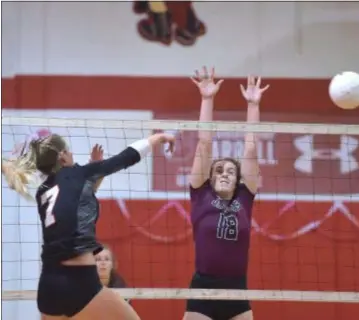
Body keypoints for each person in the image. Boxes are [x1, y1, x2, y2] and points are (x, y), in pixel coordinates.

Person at [1, 131, 175, 320]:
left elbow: (79, 202)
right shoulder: (79, 173)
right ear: (63, 156)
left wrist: (91, 170)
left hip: (49, 284)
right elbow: (126, 157)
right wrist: (157, 138)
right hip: (79, 281)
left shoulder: (43, 191)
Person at [183, 67, 269, 320]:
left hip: (236, 289)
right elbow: (205, 143)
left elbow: (251, 150)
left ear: (238, 179)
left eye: (231, 171)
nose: (224, 173)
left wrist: (253, 106)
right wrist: (207, 98)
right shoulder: (201, 193)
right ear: (210, 177)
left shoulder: (245, 197)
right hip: (203, 289)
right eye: (219, 170)